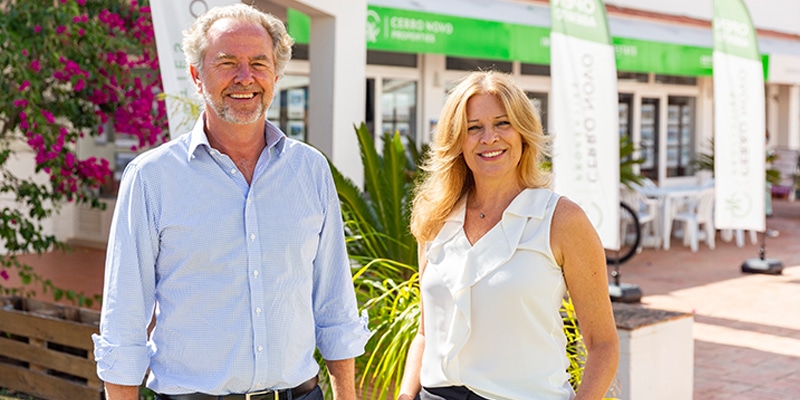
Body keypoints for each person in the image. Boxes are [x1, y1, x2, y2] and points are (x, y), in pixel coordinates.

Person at [92, 4, 369, 400]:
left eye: (259, 62)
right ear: (196, 76)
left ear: (275, 74)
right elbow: (124, 322)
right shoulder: (152, 178)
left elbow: (335, 304)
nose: (245, 77)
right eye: (227, 62)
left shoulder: (310, 171)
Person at [396, 71, 619, 400]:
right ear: (457, 140)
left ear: (524, 132)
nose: (489, 138)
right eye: (474, 128)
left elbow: (603, 345)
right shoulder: (435, 217)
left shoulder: (561, 220)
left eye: (503, 123)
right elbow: (426, 334)